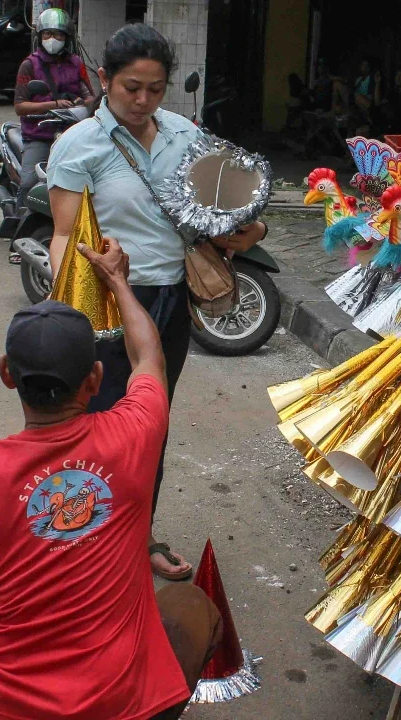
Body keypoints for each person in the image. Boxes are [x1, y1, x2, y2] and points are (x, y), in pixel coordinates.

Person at [0, 236, 225, 720]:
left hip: (7, 707)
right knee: (192, 607)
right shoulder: (133, 435)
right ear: (93, 380)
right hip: (125, 705)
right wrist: (117, 281)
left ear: (7, 374)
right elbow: (148, 356)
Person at [45, 24, 267, 580]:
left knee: (152, 425)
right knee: (99, 427)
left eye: (155, 89)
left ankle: (138, 537)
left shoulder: (184, 135)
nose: (143, 101)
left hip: (170, 297)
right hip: (106, 301)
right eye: (130, 88)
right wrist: (72, 308)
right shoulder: (80, 144)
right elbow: (64, 236)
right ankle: (88, 547)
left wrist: (248, 228)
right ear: (104, 80)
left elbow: (216, 207)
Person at [12, 8, 96, 212]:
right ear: (40, 36)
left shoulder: (76, 64)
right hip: (39, 134)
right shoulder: (29, 65)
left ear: (66, 38)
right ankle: (20, 221)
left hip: (70, 134)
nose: (52, 39)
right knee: (28, 183)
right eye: (47, 34)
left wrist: (80, 102)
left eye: (58, 34)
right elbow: (20, 106)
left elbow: (90, 98)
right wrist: (53, 105)